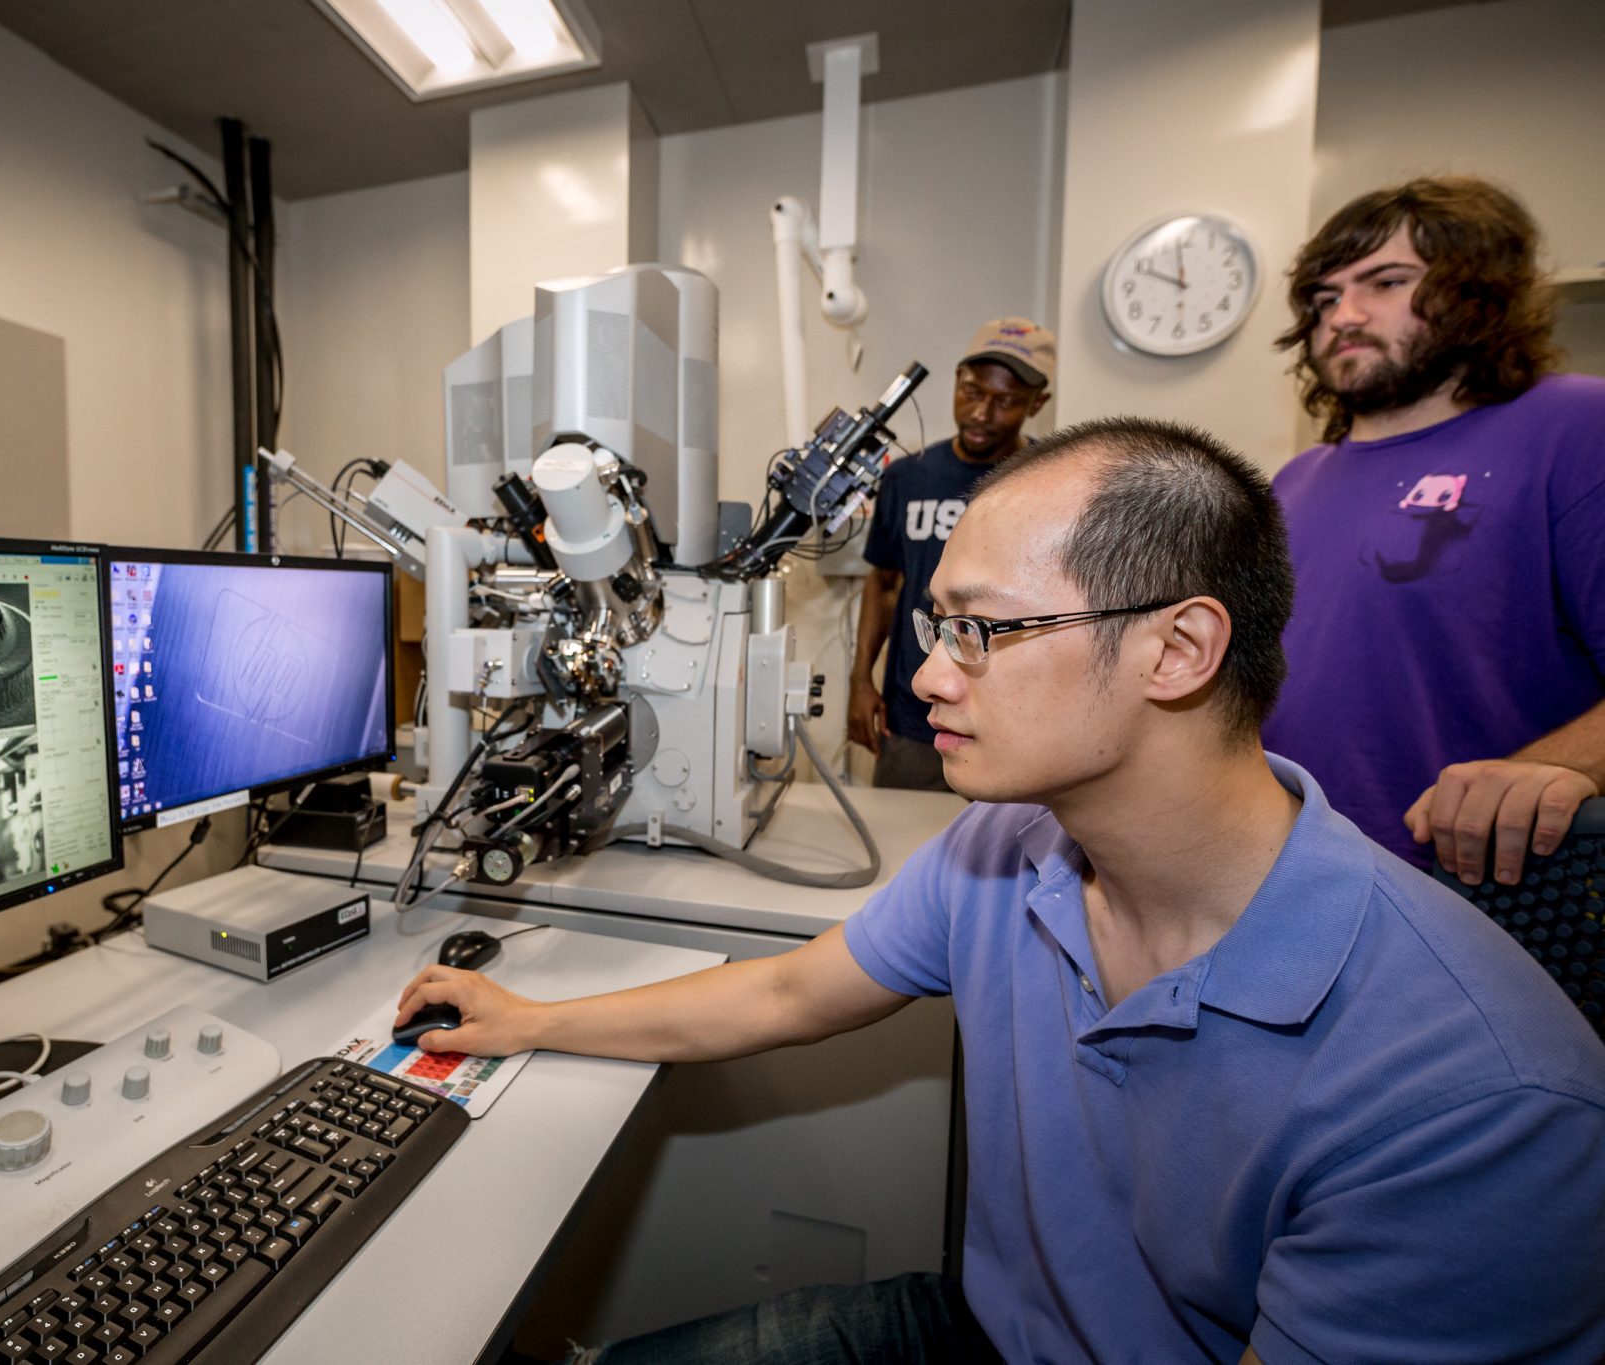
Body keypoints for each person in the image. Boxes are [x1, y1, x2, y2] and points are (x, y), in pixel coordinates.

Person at [399, 418, 1605, 1364]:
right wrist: (530, 1022)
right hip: (983, 1333)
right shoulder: (1002, 852)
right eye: (936, 626)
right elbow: (785, 994)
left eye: (979, 631)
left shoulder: (1475, 1103)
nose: (927, 676)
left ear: (1176, 651)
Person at [1263, 176, 1605, 885]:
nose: (1344, 314)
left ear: (1476, 292)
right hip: (1291, 882)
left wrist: (1558, 765)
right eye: (1324, 299)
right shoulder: (1294, 480)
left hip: (1486, 894)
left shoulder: (1575, 425)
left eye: (1386, 282)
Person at [848, 318, 1053, 791]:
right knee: (897, 831)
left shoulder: (1050, 481)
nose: (981, 412)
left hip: (1013, 724)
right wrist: (860, 681)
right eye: (971, 391)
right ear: (957, 381)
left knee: (1009, 839)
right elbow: (884, 584)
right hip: (915, 716)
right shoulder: (907, 477)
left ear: (1036, 404)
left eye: (1005, 401)